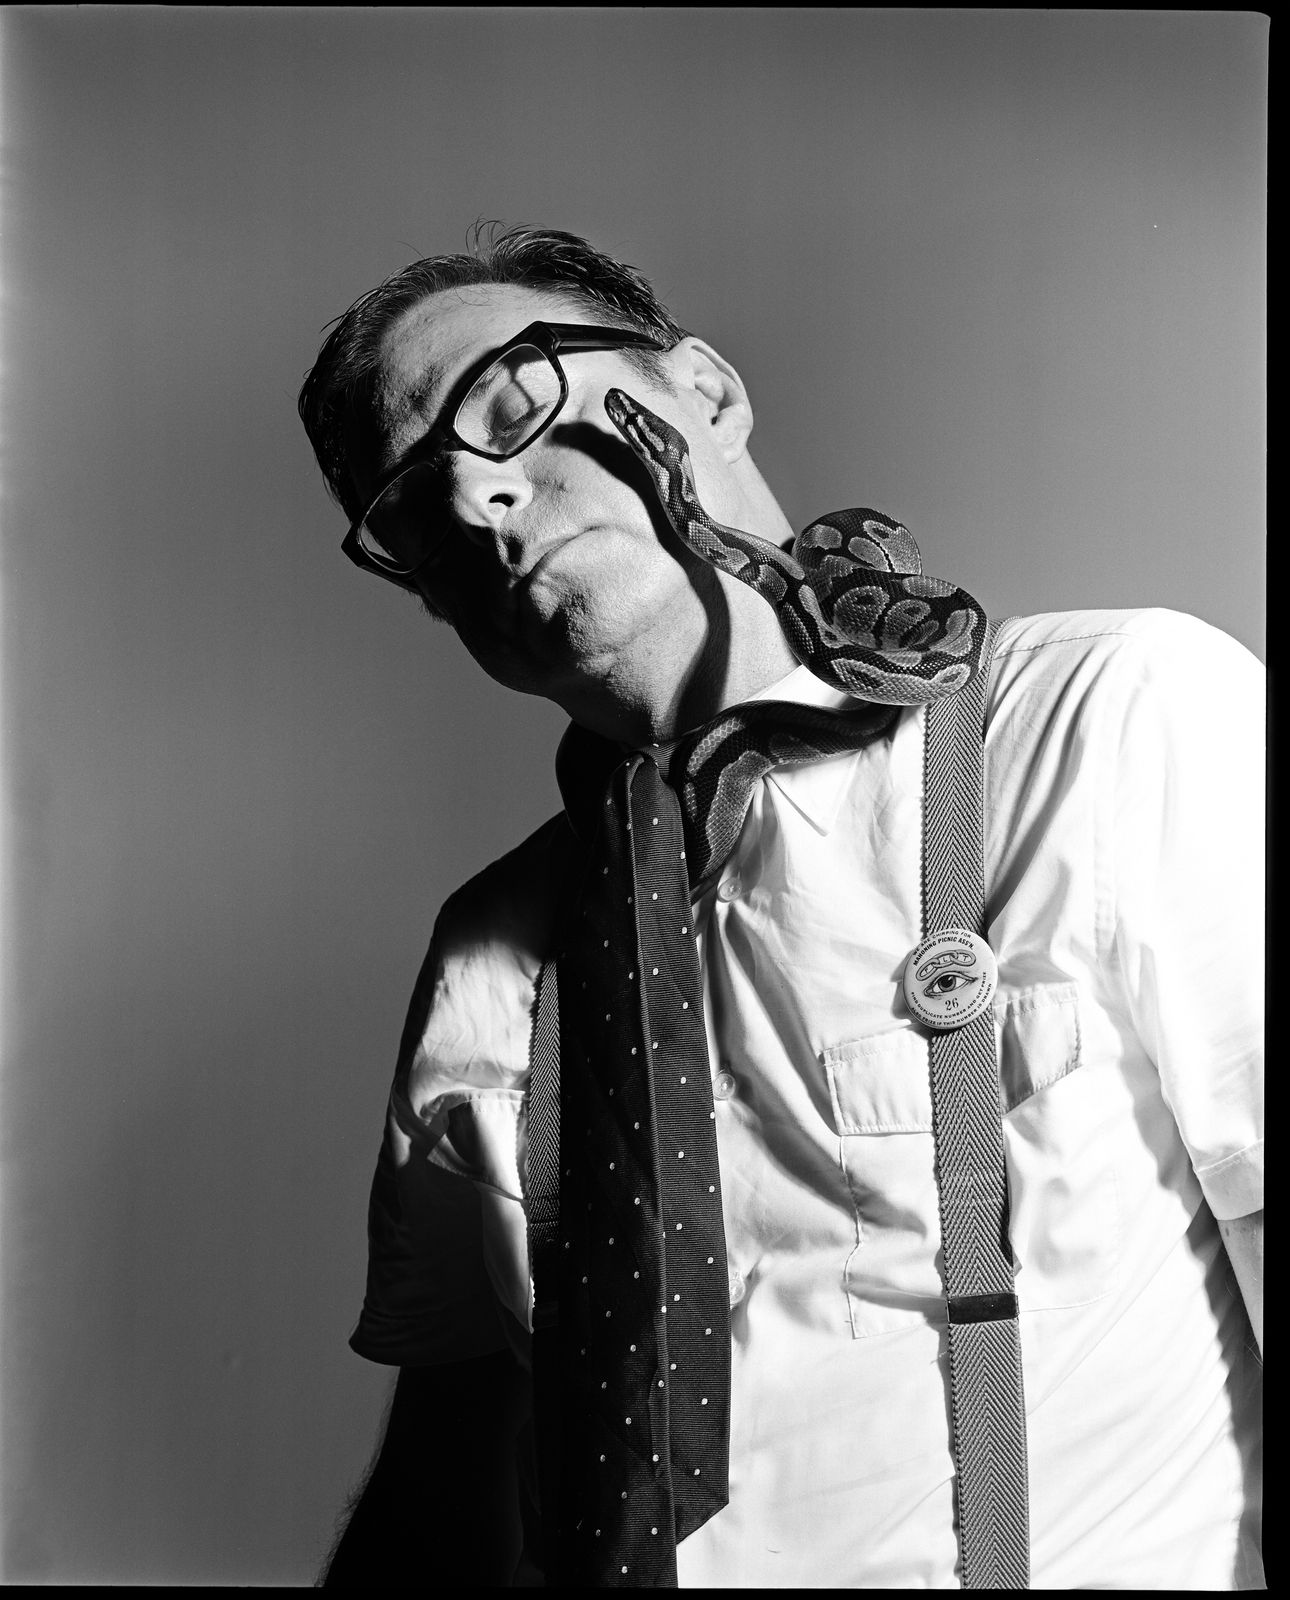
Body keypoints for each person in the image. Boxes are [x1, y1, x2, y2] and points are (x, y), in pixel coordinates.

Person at [298, 226, 1263, 1589]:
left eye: (508, 405)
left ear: (704, 390)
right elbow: (448, 1474)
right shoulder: (492, 951)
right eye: (412, 507)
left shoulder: (1109, 721)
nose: (476, 498)